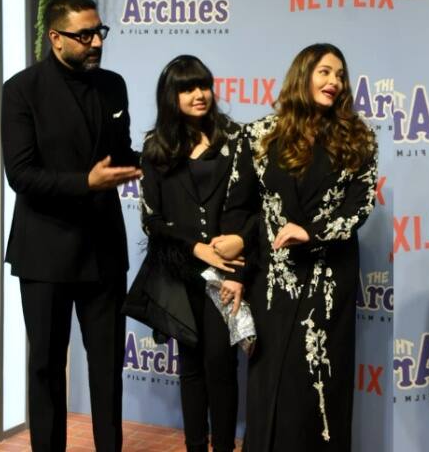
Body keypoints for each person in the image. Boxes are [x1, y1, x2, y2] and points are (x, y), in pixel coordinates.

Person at [0, 0, 141, 452]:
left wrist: (169, 156)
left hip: (103, 251)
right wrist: (86, 182)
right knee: (45, 367)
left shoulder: (113, 85)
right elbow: (22, 175)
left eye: (99, 32)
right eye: (84, 35)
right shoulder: (21, 90)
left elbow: (120, 154)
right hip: (45, 252)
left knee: (108, 368)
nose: (96, 42)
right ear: (55, 37)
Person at [240, 43, 378, 452]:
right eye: (325, 72)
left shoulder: (358, 138)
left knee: (319, 385)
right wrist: (236, 272)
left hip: (328, 279)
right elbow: (242, 208)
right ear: (303, 75)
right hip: (273, 279)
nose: (334, 81)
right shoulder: (260, 135)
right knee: (272, 382)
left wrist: (312, 232)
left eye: (340, 75)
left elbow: (360, 205)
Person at [126, 55, 257, 452]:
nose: (199, 94)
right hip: (180, 272)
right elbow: (153, 220)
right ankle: (195, 446)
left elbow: (250, 208)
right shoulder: (156, 148)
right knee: (191, 367)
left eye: (203, 85)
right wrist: (196, 247)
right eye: (187, 88)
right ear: (171, 96)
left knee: (222, 366)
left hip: (225, 275)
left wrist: (236, 269)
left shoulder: (234, 139)